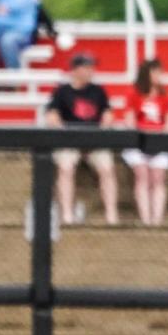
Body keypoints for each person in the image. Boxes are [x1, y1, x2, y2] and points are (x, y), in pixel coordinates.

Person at [46, 52, 119, 226]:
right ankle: (67, 214)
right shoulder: (62, 91)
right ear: (76, 70)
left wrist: (102, 131)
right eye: (86, 67)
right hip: (69, 141)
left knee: (107, 168)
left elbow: (108, 114)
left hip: (95, 140)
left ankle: (111, 214)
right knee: (65, 168)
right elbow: (52, 115)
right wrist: (64, 133)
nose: (91, 71)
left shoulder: (98, 90)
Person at [121, 59, 168, 227]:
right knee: (142, 175)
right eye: (155, 72)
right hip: (139, 142)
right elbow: (129, 120)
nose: (158, 76)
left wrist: (160, 135)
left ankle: (157, 219)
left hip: (159, 142)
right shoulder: (134, 93)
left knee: (158, 177)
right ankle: (145, 218)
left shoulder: (164, 95)